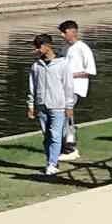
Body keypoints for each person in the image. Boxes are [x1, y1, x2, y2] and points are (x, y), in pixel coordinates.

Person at [26, 34, 75, 177]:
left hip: (58, 106)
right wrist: (31, 105)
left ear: (48, 46)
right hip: (41, 105)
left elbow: (68, 86)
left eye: (39, 47)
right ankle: (51, 161)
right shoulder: (36, 66)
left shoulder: (63, 64)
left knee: (55, 135)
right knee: (47, 136)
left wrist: (69, 106)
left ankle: (52, 164)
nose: (37, 50)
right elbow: (32, 87)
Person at [58, 19, 96, 160]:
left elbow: (90, 71)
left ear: (73, 32)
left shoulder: (83, 48)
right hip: (64, 87)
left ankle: (71, 148)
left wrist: (70, 75)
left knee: (67, 114)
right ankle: (65, 145)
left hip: (75, 87)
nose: (62, 36)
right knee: (64, 114)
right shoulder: (65, 48)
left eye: (64, 32)